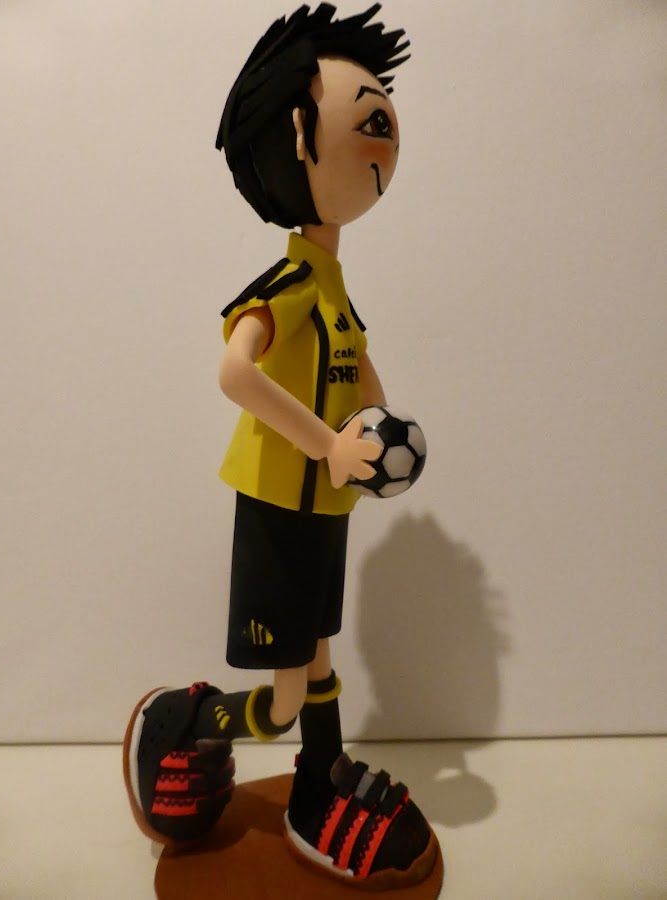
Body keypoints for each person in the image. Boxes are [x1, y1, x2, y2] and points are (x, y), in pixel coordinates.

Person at [124, 4, 436, 888]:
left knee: (321, 652)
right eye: (367, 121)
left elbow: (360, 371)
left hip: (324, 505)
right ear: (298, 139)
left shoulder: (332, 289)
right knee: (285, 692)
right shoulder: (292, 282)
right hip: (276, 502)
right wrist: (330, 447)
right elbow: (235, 374)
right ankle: (188, 723)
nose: (384, 139)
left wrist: (380, 431)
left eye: (385, 121)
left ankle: (319, 783)